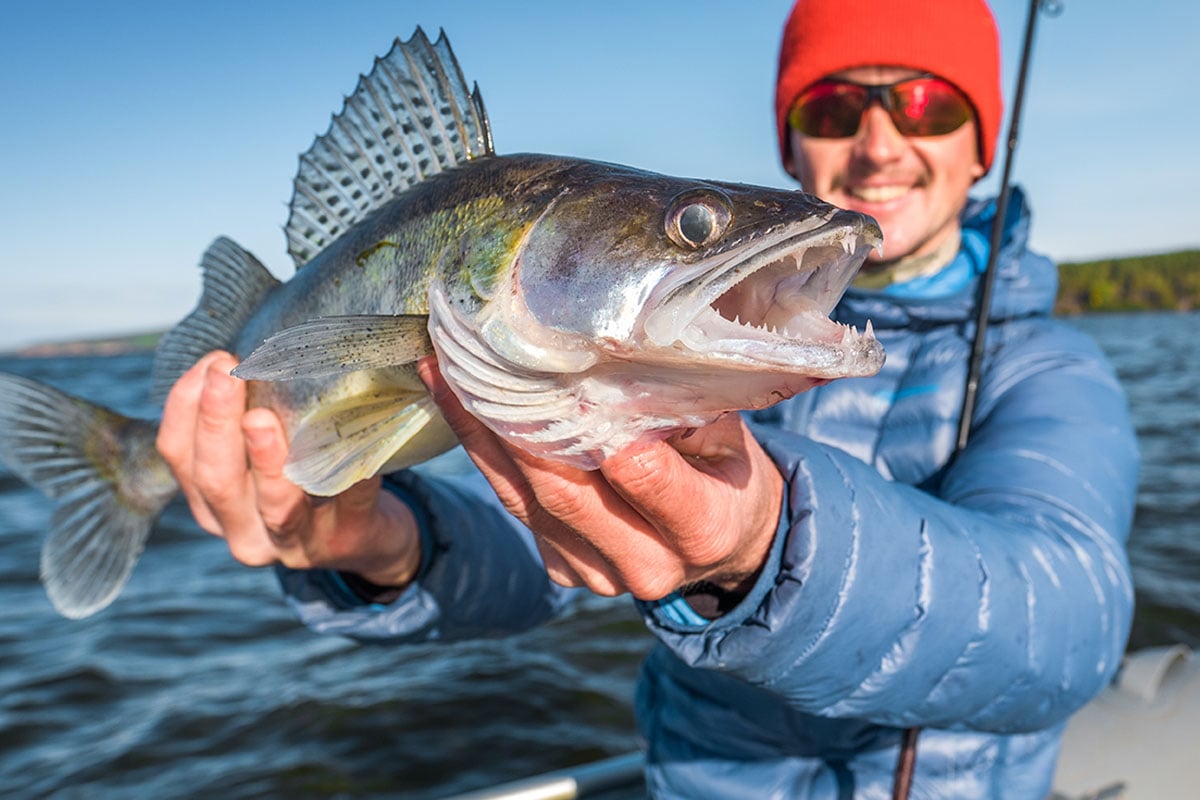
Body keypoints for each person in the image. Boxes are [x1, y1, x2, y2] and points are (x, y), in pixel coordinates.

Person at [156, 0, 1139, 796]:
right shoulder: (659, 365)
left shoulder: (1051, 369)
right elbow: (549, 562)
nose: (878, 145)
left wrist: (769, 545)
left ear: (982, 147)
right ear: (793, 143)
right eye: (834, 109)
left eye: (926, 105)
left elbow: (1071, 624)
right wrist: (377, 546)